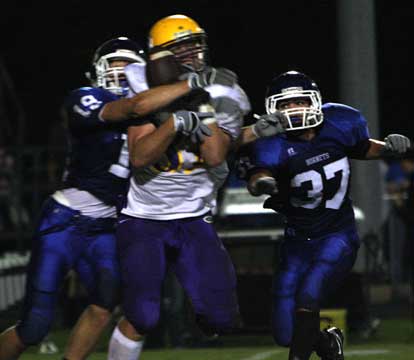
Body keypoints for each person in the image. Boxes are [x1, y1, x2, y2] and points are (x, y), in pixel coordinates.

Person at [0, 35, 236, 360]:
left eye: (129, 66)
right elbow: (132, 107)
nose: (121, 72)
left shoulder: (160, 108)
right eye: (115, 65)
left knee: (104, 306)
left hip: (111, 225)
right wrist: (191, 84)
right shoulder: (88, 98)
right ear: (97, 71)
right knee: (35, 325)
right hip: (66, 220)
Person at [107, 14, 287, 360]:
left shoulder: (223, 90)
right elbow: (141, 156)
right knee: (142, 315)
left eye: (193, 44)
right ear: (158, 55)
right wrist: (175, 120)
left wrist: (203, 106)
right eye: (180, 47)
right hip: (143, 217)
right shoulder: (142, 87)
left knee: (222, 319)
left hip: (194, 217)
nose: (190, 53)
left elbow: (216, 154)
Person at [243, 70, 411, 360]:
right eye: (286, 105)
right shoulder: (270, 142)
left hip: (337, 234)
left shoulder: (339, 122)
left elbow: (362, 146)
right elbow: (258, 172)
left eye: (299, 102)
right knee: (285, 333)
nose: (294, 110)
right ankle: (327, 343)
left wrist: (389, 148)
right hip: (296, 242)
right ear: (273, 109)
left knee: (308, 298)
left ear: (315, 101)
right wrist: (262, 184)